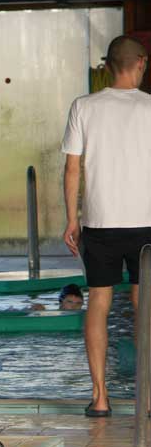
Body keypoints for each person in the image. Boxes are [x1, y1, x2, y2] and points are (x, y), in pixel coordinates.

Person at [62, 34, 151, 418]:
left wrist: (72, 218)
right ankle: (148, 398)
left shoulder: (84, 106)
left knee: (99, 303)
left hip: (100, 223)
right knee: (145, 307)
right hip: (147, 222)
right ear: (141, 63)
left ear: (107, 66)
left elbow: (72, 168)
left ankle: (100, 397)